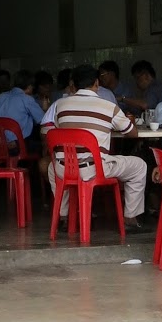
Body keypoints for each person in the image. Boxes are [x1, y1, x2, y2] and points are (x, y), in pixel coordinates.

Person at [42, 62, 147, 229]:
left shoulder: (60, 106)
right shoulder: (109, 107)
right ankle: (130, 219)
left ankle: (64, 216)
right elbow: (132, 134)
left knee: (52, 168)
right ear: (97, 83)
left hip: (64, 168)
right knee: (139, 166)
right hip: (93, 169)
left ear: (73, 85)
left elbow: (54, 131)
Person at [0, 70, 43, 151]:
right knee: (42, 145)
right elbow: (42, 120)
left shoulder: (0, 97)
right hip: (17, 145)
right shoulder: (27, 99)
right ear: (29, 87)